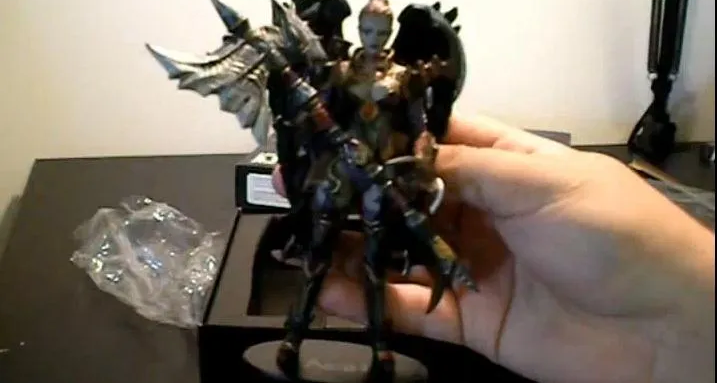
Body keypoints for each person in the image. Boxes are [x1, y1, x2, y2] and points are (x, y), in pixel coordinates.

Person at [271, 114, 715, 383]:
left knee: (372, 269)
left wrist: (425, 158)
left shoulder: (400, 81)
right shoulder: (342, 77)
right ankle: (294, 335)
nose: (372, 39)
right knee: (320, 257)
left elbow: (420, 129)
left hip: (385, 183)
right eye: (367, 31)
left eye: (379, 32)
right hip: (343, 175)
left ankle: (380, 348)